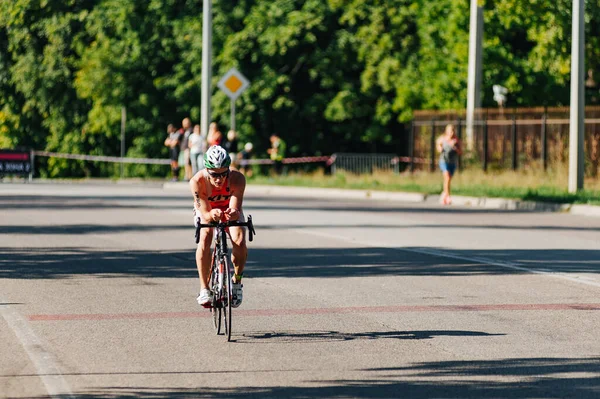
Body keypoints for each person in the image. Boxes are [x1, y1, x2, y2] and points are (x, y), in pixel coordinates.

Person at [190, 145, 247, 308]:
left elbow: (236, 208)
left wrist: (233, 213)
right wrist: (210, 215)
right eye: (214, 174)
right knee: (205, 235)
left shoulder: (238, 178)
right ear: (207, 169)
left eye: (223, 174)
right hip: (206, 209)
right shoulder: (197, 181)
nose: (219, 179)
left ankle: (236, 281)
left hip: (228, 208)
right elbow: (203, 211)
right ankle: (204, 288)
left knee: (240, 239)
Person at [436, 124, 462, 205]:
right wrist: (441, 147)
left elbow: (460, 152)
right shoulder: (442, 139)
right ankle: (448, 197)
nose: (451, 133)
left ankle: (444, 194)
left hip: (452, 162)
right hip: (444, 161)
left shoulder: (456, 141)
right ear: (446, 131)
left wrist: (455, 147)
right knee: (447, 176)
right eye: (450, 131)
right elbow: (439, 149)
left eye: (453, 131)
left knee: (448, 179)